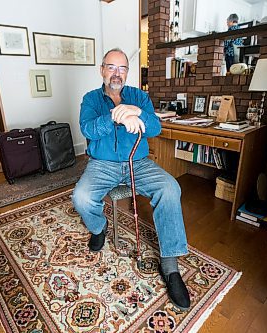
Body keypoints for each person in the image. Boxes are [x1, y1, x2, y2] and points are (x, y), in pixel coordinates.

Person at [72, 48, 191, 311]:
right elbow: (87, 128)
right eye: (111, 67)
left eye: (122, 68)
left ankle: (170, 266)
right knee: (81, 197)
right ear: (102, 69)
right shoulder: (90, 99)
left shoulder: (139, 95)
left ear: (127, 72)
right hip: (102, 164)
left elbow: (156, 127)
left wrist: (135, 110)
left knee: (170, 188)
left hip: (138, 162)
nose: (117, 73)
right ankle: (98, 227)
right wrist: (117, 115)